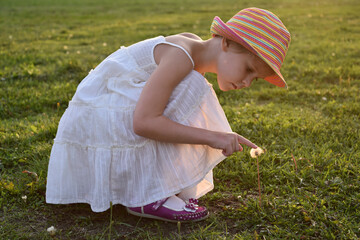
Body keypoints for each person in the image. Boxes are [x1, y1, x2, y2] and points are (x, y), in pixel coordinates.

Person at [46, 7, 291, 222]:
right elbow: (144, 122)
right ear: (225, 42)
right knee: (192, 87)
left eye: (255, 78)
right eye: (248, 69)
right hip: (98, 118)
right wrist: (211, 137)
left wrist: (217, 135)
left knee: (191, 90)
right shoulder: (182, 55)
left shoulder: (193, 51)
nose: (247, 82)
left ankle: (156, 186)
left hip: (111, 115)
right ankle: (146, 194)